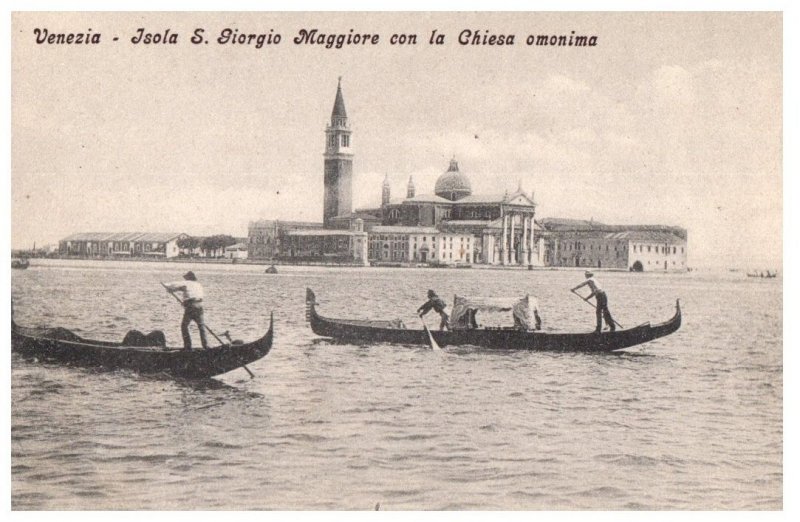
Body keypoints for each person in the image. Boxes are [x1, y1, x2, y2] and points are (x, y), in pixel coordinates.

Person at [164, 271, 209, 350]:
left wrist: (166, 286)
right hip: (199, 306)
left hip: (191, 306)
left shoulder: (187, 283)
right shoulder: (198, 285)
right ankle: (206, 346)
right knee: (201, 326)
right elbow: (183, 289)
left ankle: (188, 346)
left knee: (184, 326)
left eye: (186, 278)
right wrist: (173, 291)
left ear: (188, 278)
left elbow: (173, 285)